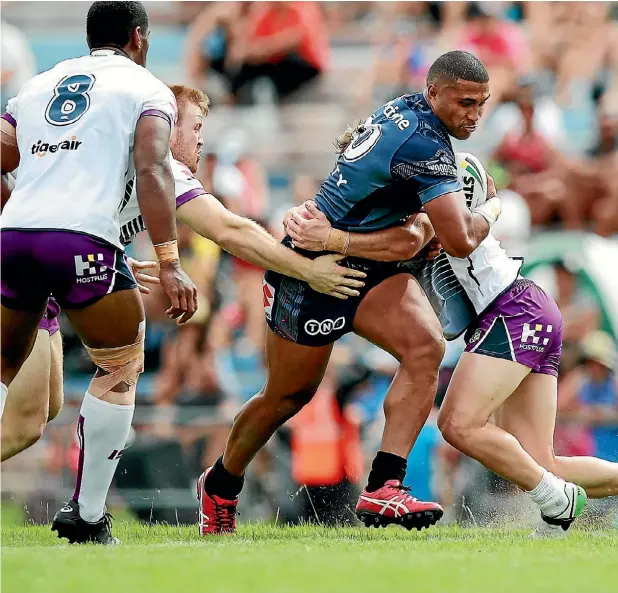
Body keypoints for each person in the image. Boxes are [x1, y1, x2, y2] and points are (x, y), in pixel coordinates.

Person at [1, 82, 365, 540]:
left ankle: (87, 512)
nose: (200, 140)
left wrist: (104, 252)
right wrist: (307, 271)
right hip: (27, 270)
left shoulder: (99, 156)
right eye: (194, 127)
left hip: (33, 270)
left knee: (33, 417)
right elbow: (230, 230)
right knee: (119, 366)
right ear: (166, 125)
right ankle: (88, 516)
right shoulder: (161, 164)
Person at [197, 50, 504, 535]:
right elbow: (461, 238)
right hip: (312, 270)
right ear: (435, 93)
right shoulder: (426, 146)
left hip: (364, 264)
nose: (474, 115)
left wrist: (394, 232)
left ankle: (384, 487)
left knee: (424, 348)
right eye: (465, 103)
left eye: (481, 104)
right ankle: (219, 484)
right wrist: (492, 208)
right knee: (286, 396)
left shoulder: (406, 108)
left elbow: (356, 149)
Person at [290, 182, 618, 538]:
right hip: (523, 309)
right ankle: (558, 497)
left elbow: (415, 237)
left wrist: (330, 238)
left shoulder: (423, 193)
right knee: (539, 465)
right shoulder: (416, 189)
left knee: (456, 424)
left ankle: (559, 502)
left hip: (510, 311)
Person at [0, 1, 199, 544]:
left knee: (5, 370)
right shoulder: (145, 87)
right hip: (82, 239)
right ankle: (87, 516)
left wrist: (18, 208)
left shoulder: (41, 83)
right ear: (139, 36)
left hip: (13, 236)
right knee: (119, 365)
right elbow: (153, 165)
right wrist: (170, 262)